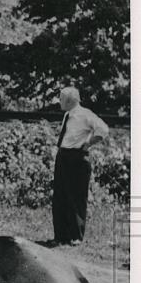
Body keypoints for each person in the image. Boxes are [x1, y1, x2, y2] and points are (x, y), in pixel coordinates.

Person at [51, 85, 109, 246]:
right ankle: (60, 235)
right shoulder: (68, 115)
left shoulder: (85, 114)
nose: (59, 102)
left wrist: (88, 144)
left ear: (70, 100)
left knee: (76, 197)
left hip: (77, 157)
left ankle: (75, 236)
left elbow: (103, 130)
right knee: (60, 196)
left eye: (61, 99)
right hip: (63, 156)